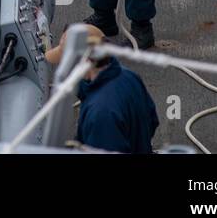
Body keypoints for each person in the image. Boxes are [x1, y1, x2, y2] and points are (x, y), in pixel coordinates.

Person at [46, 25, 159, 154]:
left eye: (68, 62)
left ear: (86, 60)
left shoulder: (101, 114)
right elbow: (152, 120)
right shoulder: (129, 76)